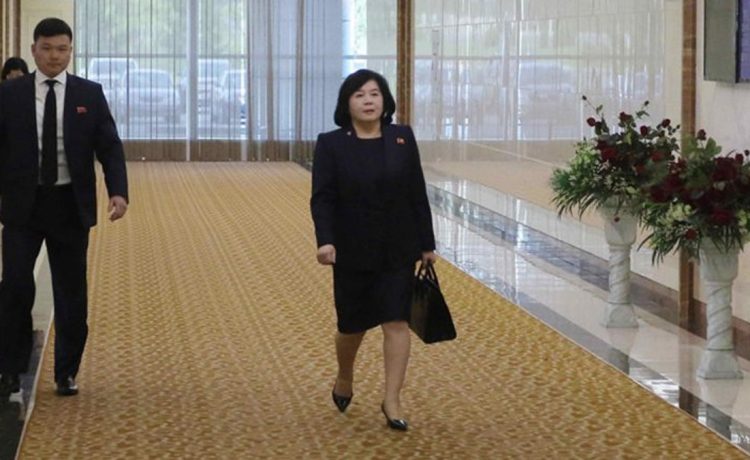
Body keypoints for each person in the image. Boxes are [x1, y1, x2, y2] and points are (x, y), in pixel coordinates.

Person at [0, 18, 128, 398]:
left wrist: (118, 191)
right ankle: (10, 368)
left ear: (70, 52)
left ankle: (66, 372)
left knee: (71, 292)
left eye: (62, 49)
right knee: (15, 286)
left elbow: (110, 147)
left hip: (69, 205)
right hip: (23, 207)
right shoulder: (10, 94)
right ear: (34, 50)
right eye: (47, 48)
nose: (54, 56)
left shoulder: (89, 93)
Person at [310, 69, 437, 431]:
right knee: (351, 326)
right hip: (351, 249)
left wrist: (426, 243)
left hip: (397, 246)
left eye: (375, 94)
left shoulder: (402, 138)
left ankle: (392, 399)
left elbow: (416, 192)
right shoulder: (331, 144)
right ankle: (344, 375)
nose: (368, 101)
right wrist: (325, 240)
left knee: (396, 321)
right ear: (347, 103)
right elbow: (323, 198)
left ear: (385, 101)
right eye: (360, 95)